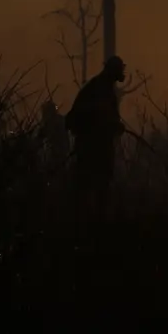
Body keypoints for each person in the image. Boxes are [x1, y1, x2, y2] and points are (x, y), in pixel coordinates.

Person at [66, 56, 128, 224]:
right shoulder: (99, 88)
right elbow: (96, 118)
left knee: (94, 188)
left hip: (97, 146)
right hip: (94, 147)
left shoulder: (102, 87)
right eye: (120, 69)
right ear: (113, 70)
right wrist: (112, 126)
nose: (122, 73)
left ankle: (90, 222)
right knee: (92, 188)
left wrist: (115, 126)